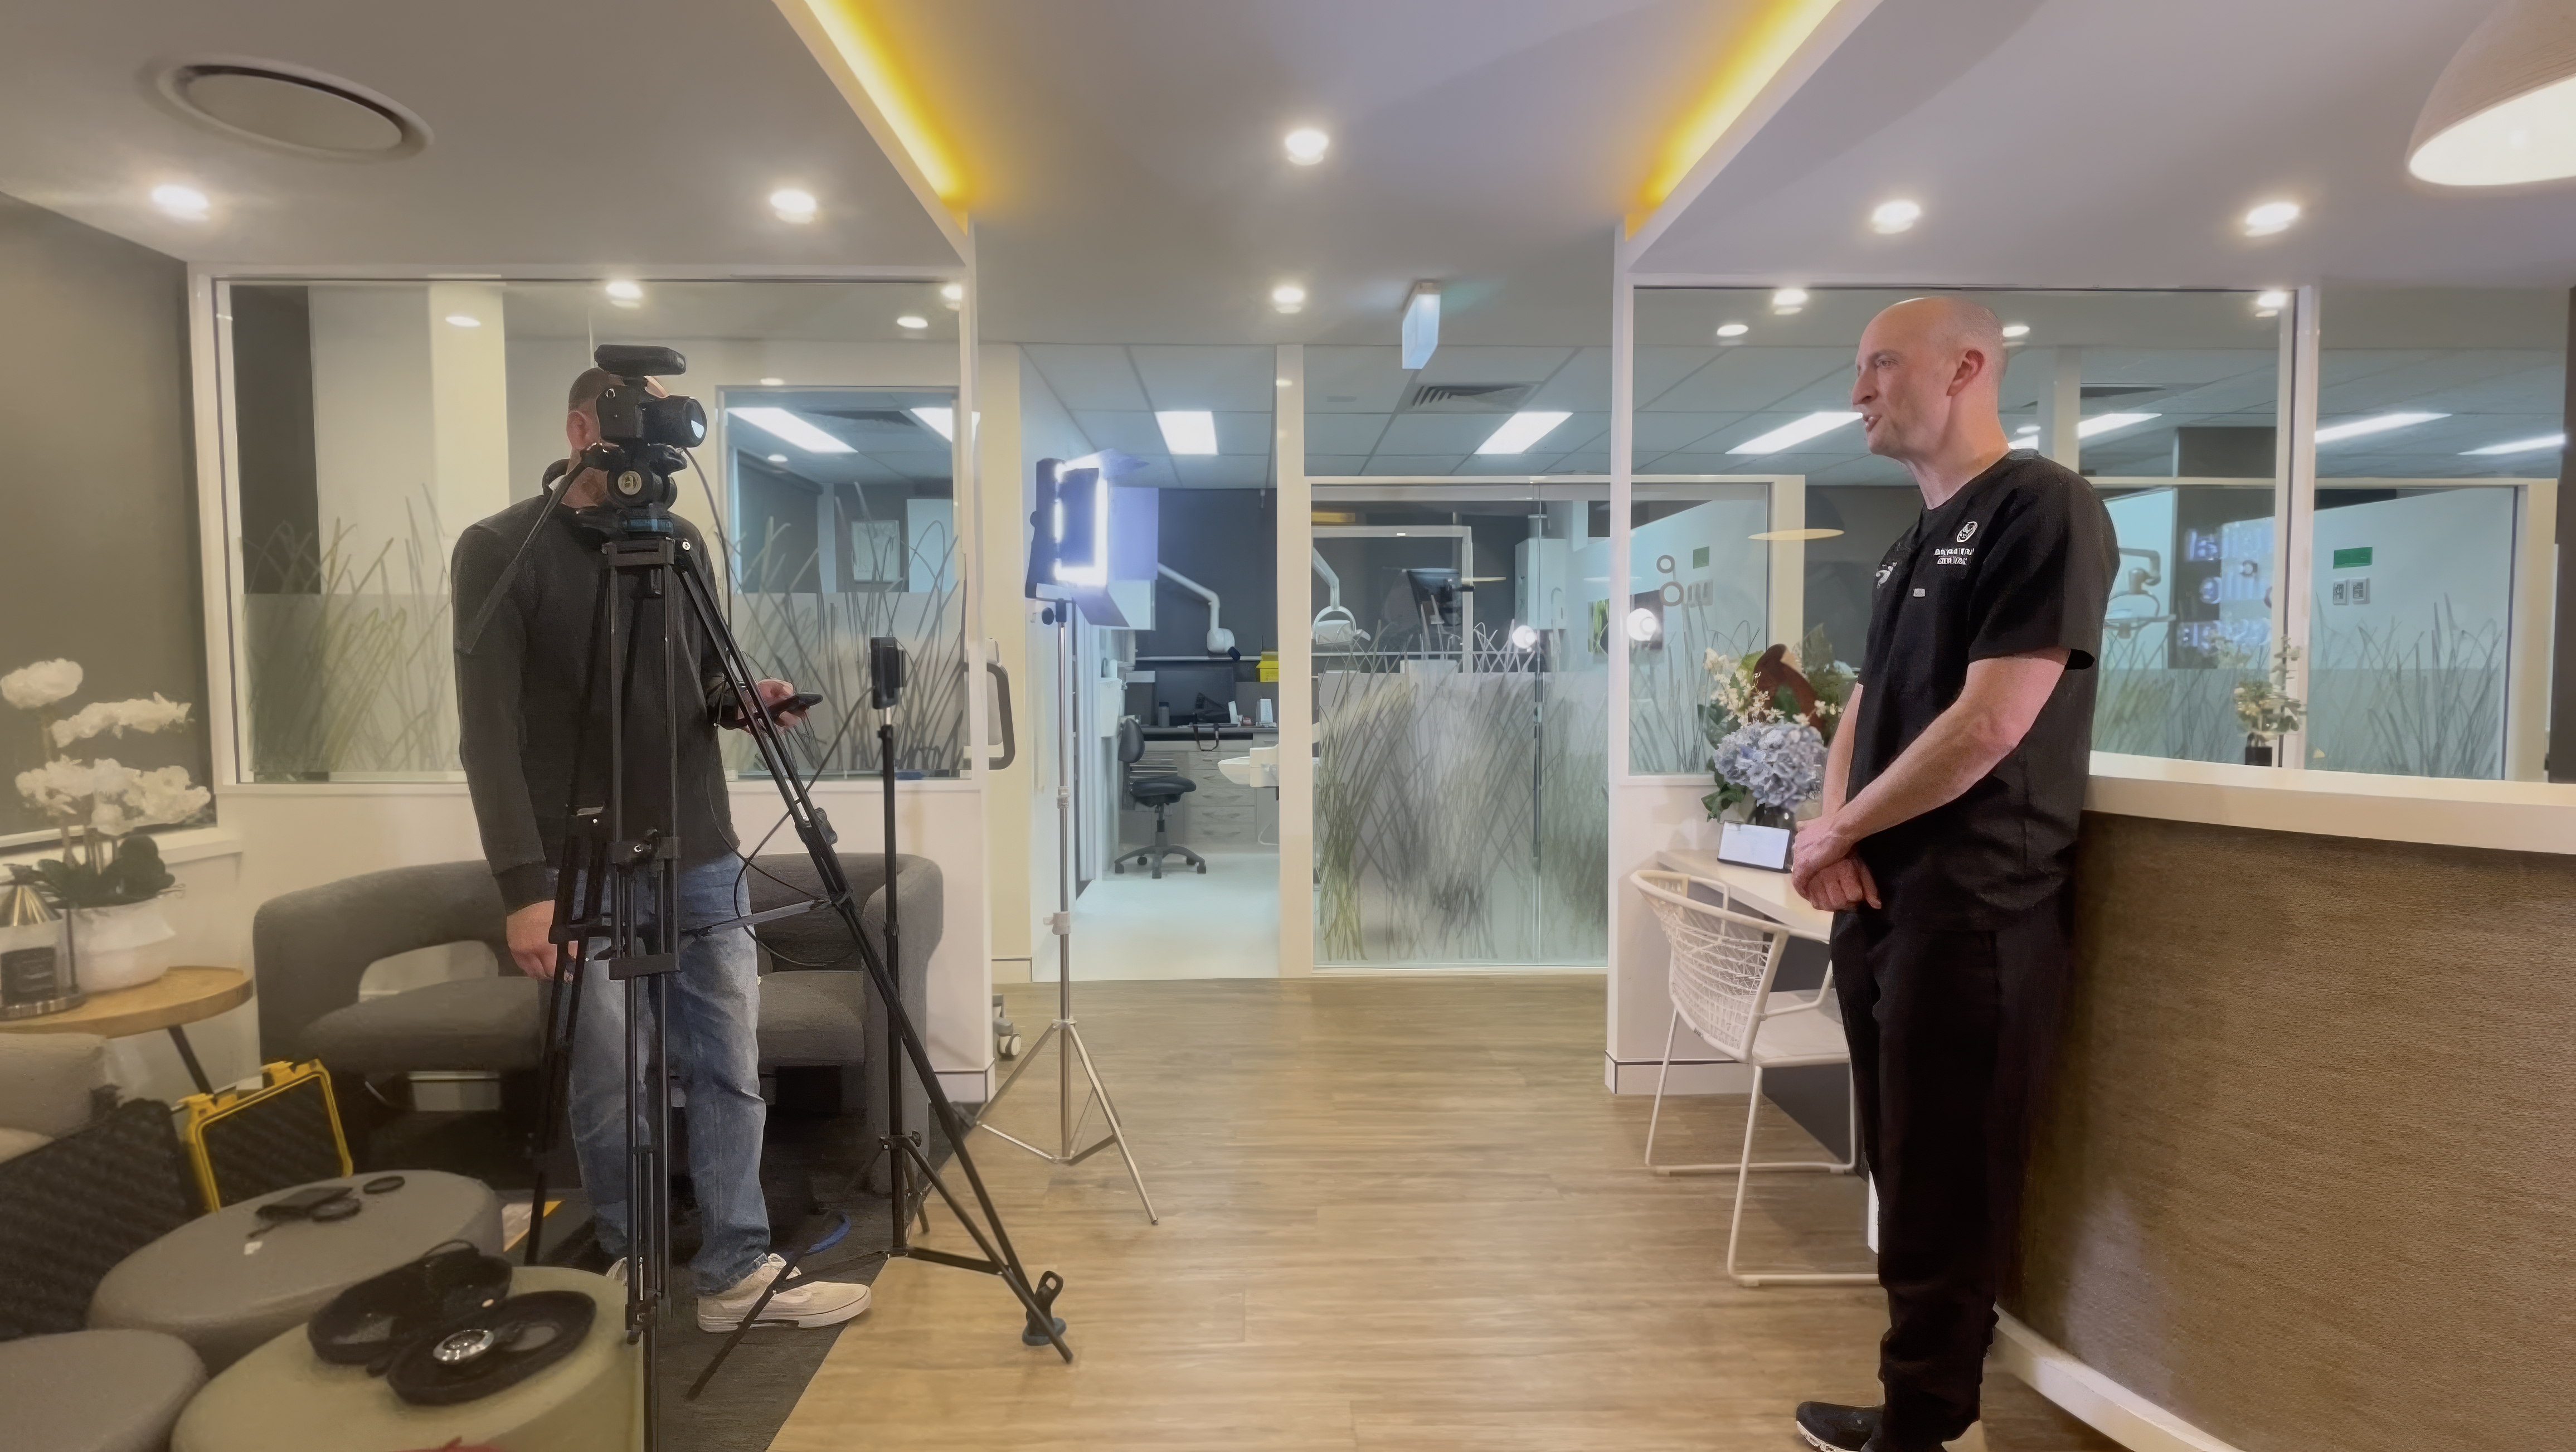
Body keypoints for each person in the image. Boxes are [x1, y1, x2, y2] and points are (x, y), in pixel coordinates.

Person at [451, 366, 871, 1332]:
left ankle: (735, 1269)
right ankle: (628, 1264)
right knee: (611, 1078)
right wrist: (522, 885)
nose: (647, 447)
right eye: (628, 425)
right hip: (576, 863)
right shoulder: (500, 549)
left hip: (702, 849)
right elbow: (488, 731)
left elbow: (695, 682)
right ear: (579, 428)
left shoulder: (677, 542)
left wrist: (741, 700)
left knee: (727, 1062)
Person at [1786, 297, 2113, 1452]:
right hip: (1887, 910)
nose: (1856, 393)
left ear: (1966, 366)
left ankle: (1928, 1425)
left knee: (1947, 1179)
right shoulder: (1908, 541)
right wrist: (1832, 829)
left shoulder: (2042, 507)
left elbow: (1993, 719)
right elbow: (1868, 705)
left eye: (1878, 366)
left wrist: (1840, 835)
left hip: (1977, 912)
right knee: (1901, 1166)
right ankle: (1918, 1405)